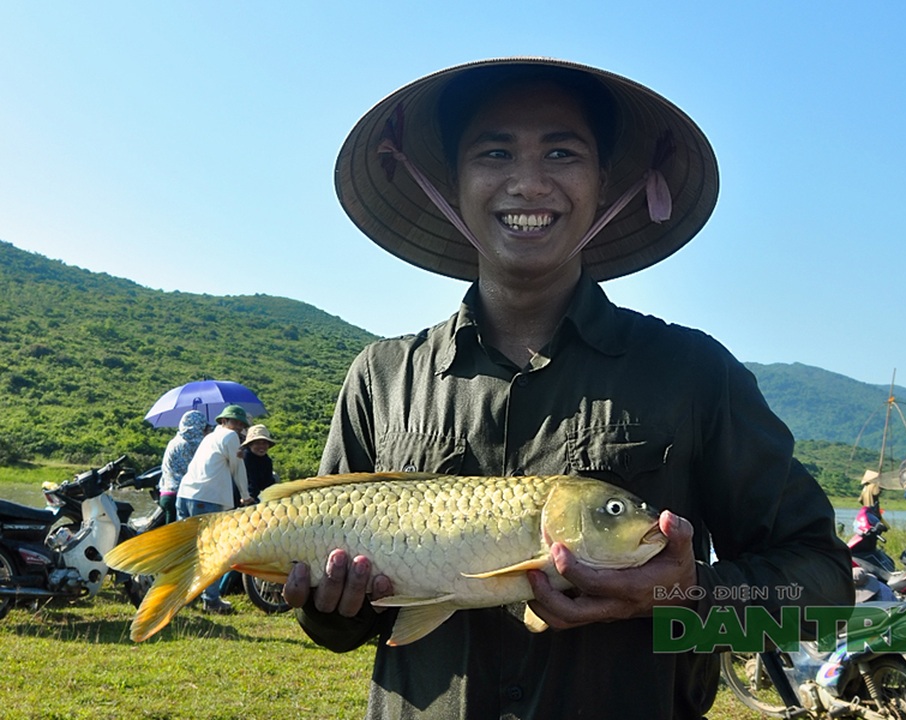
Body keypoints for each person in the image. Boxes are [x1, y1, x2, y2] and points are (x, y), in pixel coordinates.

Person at [282, 58, 853, 719]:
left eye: (562, 151)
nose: (528, 182)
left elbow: (825, 594)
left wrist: (687, 594)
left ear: (604, 182)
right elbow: (340, 628)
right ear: (454, 182)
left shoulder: (694, 373)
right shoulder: (381, 380)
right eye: (495, 152)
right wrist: (330, 605)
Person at [177, 403, 256, 613]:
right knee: (211, 551)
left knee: (188, 551)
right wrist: (246, 496)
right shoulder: (230, 437)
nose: (238, 426)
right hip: (207, 498)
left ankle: (183, 596)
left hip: (185, 494)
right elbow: (237, 468)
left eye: (241, 424)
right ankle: (211, 600)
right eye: (235, 422)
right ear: (224, 421)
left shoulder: (209, 437)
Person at [157, 410, 208, 525]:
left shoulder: (175, 441)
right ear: (198, 426)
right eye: (204, 427)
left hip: (166, 493)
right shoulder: (191, 444)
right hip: (180, 495)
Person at [241, 424, 277, 502]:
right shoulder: (244, 458)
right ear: (250, 445)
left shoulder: (266, 460)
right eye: (257, 443)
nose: (261, 446)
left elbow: (268, 482)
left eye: (264, 443)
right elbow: (249, 481)